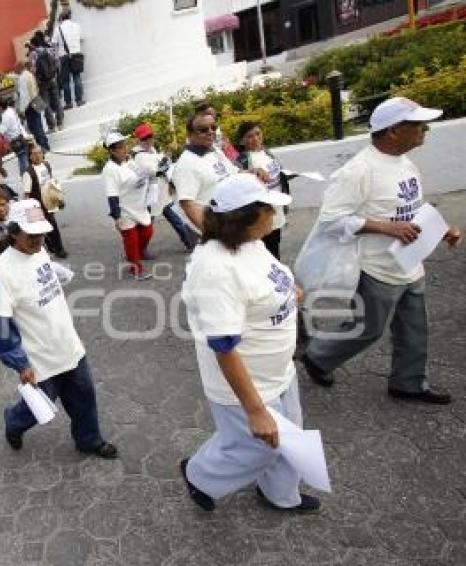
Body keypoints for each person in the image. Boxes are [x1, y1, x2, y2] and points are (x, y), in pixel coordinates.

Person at [301, 97, 462, 404]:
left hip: (410, 261)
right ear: (393, 131)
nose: (425, 130)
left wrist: (442, 229)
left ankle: (409, 382)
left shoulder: (406, 163)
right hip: (378, 268)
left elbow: (410, 208)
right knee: (368, 329)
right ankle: (318, 357)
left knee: (415, 327)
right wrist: (386, 228)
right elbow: (331, 220)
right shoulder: (360, 170)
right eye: (417, 125)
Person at [180, 174, 318, 513]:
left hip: (278, 371)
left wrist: (289, 293)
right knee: (259, 445)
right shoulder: (217, 269)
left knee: (288, 438)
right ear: (246, 216)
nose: (275, 213)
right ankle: (199, 475)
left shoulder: (251, 243)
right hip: (249, 384)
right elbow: (224, 347)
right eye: (269, 208)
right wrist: (255, 410)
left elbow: (265, 285)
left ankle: (280, 494)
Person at [0, 199, 117, 458]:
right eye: (31, 234)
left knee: (84, 394)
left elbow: (43, 271)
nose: (38, 239)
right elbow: (2, 325)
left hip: (67, 343)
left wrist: (62, 272)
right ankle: (12, 422)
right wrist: (20, 364)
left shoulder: (39, 250)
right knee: (40, 407)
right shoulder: (2, 270)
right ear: (13, 233)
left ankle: (89, 439)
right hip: (39, 355)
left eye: (41, 233)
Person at [131, 122, 199, 252]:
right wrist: (168, 155)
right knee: (146, 223)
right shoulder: (139, 156)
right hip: (150, 195)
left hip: (161, 192)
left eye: (150, 136)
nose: (148, 140)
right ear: (139, 140)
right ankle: (139, 249)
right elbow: (157, 171)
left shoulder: (152, 150)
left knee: (173, 218)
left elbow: (162, 165)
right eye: (144, 138)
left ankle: (189, 242)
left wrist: (167, 155)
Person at [172, 112, 239, 233]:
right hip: (212, 231)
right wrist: (213, 235)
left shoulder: (214, 151)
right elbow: (187, 204)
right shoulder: (186, 164)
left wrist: (253, 171)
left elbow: (234, 173)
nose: (210, 132)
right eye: (203, 129)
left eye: (213, 127)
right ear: (190, 134)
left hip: (231, 222)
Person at [236, 121, 292, 259]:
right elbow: (238, 181)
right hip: (261, 212)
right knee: (267, 250)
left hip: (277, 207)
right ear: (242, 141)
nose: (255, 138)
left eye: (258, 134)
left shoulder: (266, 152)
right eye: (250, 136)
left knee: (275, 243)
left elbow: (277, 172)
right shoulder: (243, 160)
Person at [102, 132, 154, 280]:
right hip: (125, 210)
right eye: (120, 147)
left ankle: (136, 254)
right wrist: (116, 216)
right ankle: (136, 267)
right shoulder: (110, 170)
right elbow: (112, 195)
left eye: (125, 145)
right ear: (112, 151)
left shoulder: (129, 161)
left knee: (147, 232)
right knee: (131, 240)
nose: (125, 149)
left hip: (140, 207)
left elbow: (141, 175)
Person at [22, 145, 67, 259]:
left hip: (50, 201)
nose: (37, 156)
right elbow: (26, 194)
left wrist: (58, 197)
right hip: (38, 205)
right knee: (46, 228)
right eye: (34, 154)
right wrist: (30, 210)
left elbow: (51, 182)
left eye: (39, 153)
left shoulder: (46, 165)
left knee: (51, 226)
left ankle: (56, 248)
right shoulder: (28, 173)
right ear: (30, 156)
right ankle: (56, 249)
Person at [29, 31, 63, 132]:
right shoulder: (49, 50)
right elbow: (57, 63)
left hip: (42, 83)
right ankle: (60, 123)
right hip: (52, 79)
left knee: (46, 104)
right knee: (57, 101)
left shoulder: (33, 54)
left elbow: (33, 70)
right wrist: (55, 75)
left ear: (33, 44)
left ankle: (52, 126)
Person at [55, 9, 85, 109]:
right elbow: (81, 38)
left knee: (65, 81)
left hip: (64, 56)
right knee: (77, 77)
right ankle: (79, 100)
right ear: (70, 16)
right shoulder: (76, 25)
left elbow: (53, 43)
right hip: (76, 53)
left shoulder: (58, 29)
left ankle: (68, 103)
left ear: (61, 18)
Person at [16, 61, 49, 151]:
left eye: (16, 68)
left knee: (35, 128)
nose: (15, 70)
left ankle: (42, 147)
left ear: (19, 68)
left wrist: (22, 110)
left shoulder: (22, 78)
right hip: (36, 101)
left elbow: (24, 96)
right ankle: (45, 145)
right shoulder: (29, 74)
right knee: (39, 125)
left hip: (30, 106)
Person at [0, 98, 29, 175]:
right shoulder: (11, 110)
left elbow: (2, 131)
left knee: (22, 158)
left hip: (14, 140)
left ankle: (26, 174)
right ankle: (25, 174)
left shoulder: (5, 116)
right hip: (20, 136)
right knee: (23, 157)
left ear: (0, 107)